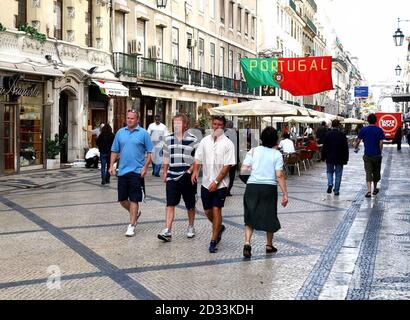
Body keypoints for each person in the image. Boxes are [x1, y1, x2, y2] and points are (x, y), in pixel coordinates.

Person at [241, 127, 288, 259]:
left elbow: (243, 169)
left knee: (250, 215)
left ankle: (247, 243)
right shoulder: (277, 154)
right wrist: (285, 194)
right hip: (269, 188)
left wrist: (250, 182)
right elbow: (279, 175)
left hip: (252, 187)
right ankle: (269, 245)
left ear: (261, 138)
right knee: (270, 214)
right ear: (275, 140)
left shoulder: (253, 151)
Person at [192, 115, 236, 253]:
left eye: (220, 125)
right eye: (215, 124)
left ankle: (213, 240)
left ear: (224, 127)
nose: (217, 127)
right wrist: (194, 172)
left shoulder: (228, 144)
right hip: (205, 182)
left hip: (221, 184)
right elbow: (198, 158)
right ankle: (219, 227)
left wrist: (216, 181)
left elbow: (227, 166)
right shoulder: (205, 141)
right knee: (207, 211)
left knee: (217, 209)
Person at [109, 110, 153, 237]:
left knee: (134, 199)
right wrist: (111, 165)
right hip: (122, 171)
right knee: (122, 200)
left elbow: (150, 153)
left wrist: (145, 167)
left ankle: (131, 225)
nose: (129, 120)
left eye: (132, 118)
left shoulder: (144, 134)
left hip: (136, 172)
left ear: (137, 120)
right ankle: (135, 213)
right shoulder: (120, 133)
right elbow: (114, 150)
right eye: (128, 118)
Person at [157, 114, 199, 242]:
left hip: (187, 176)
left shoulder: (193, 139)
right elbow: (166, 156)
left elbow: (198, 159)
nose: (176, 126)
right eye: (174, 123)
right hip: (172, 176)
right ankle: (168, 230)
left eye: (179, 124)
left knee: (190, 204)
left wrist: (191, 171)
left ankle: (191, 226)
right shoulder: (167, 139)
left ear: (185, 125)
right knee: (170, 204)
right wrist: (164, 172)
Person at [354, 113, 385, 198]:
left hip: (367, 155)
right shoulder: (379, 130)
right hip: (377, 155)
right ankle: (375, 188)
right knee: (376, 171)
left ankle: (368, 191)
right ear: (375, 120)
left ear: (368, 120)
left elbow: (358, 140)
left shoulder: (364, 130)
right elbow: (381, 142)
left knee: (368, 172)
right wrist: (380, 151)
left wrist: (356, 147)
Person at [321, 120, 349, 196]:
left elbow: (324, 147)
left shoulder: (328, 134)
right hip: (340, 158)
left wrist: (323, 157)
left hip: (329, 157)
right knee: (338, 174)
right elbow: (345, 148)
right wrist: (346, 159)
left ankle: (330, 183)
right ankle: (336, 190)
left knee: (329, 172)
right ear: (339, 125)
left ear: (332, 125)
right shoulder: (342, 135)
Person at [225, 120, 239, 197]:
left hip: (225, 158)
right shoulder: (235, 134)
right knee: (232, 176)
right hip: (234, 158)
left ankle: (224, 190)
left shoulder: (223, 133)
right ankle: (228, 190)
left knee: (224, 174)